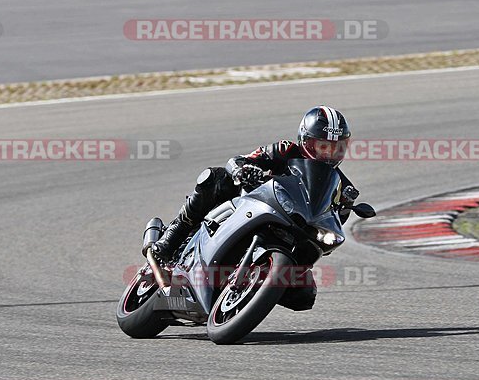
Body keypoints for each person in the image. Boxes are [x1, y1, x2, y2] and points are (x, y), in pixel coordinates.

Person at [149, 106, 360, 263]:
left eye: (336, 148)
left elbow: (334, 224)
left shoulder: (341, 184)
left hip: (293, 229)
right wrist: (244, 169)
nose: (329, 154)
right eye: (323, 146)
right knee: (215, 178)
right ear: (306, 140)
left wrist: (346, 206)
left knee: (304, 296)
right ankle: (173, 235)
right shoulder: (285, 150)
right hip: (253, 203)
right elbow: (239, 160)